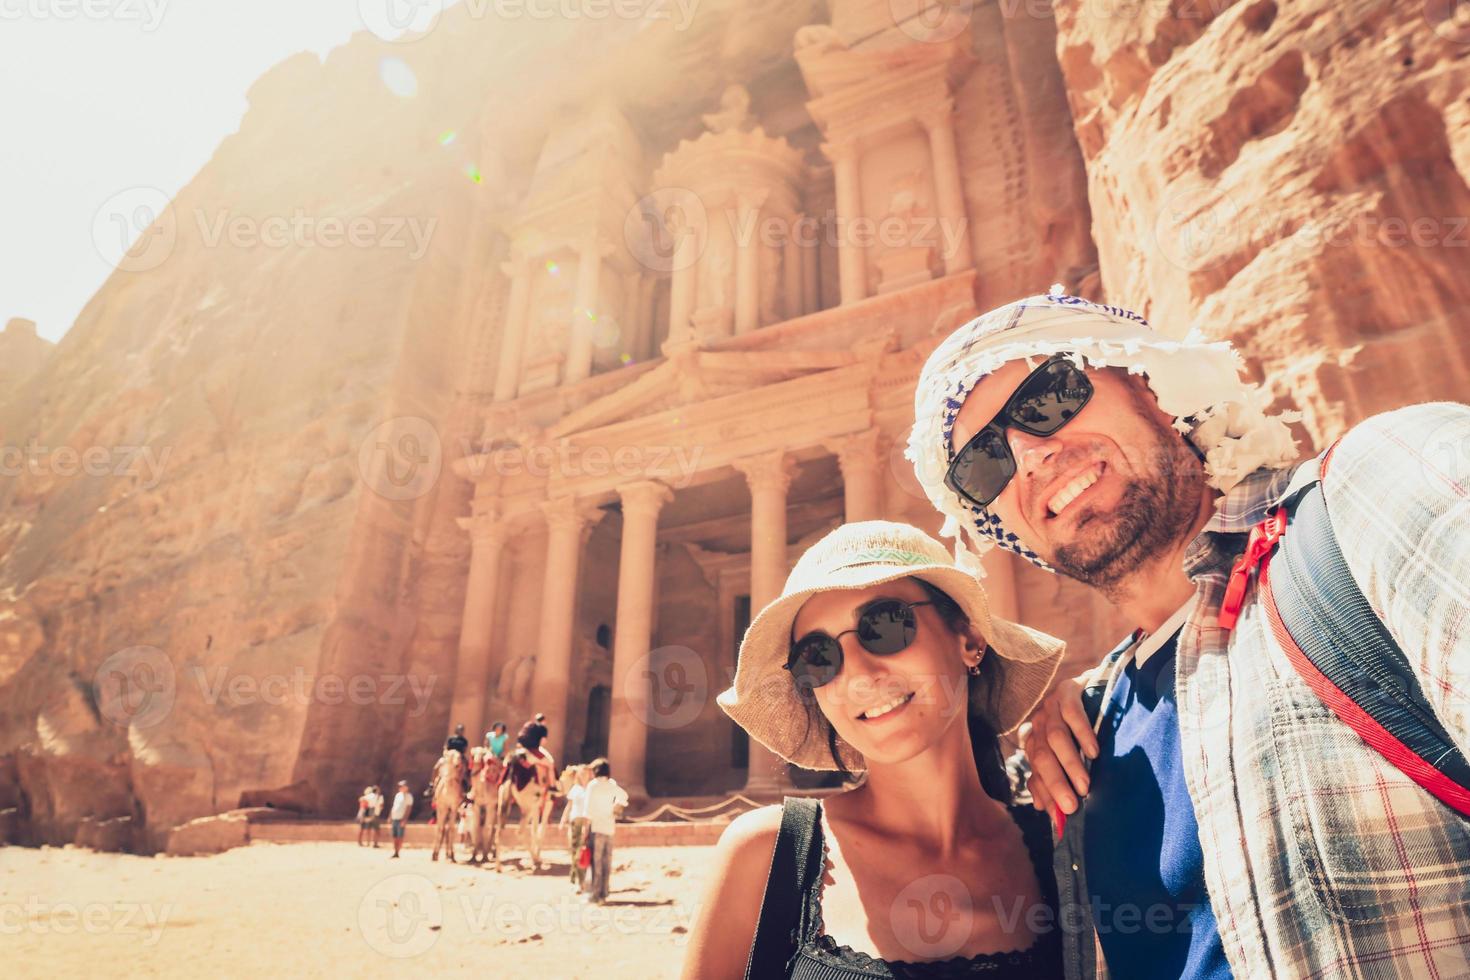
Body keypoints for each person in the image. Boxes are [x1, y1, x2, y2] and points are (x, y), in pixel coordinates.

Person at [907, 288, 1470, 978]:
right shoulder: (1092, 722)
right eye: (984, 462)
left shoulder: (1373, 490)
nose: (1029, 454)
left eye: (1049, 397)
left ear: (1149, 385)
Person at [682, 521, 1069, 979]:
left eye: (884, 626)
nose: (860, 674)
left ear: (969, 641)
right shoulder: (765, 857)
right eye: (818, 657)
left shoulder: (1066, 852)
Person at [582, 757, 629, 906]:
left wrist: (585, 829)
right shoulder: (612, 784)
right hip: (609, 827)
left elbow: (587, 810)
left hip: (596, 828)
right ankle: (605, 891)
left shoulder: (593, 786)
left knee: (596, 863)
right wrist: (615, 808)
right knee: (606, 862)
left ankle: (596, 894)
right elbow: (624, 797)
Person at [559, 765, 593, 892]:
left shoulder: (591, 788)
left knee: (583, 852)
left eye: (586, 773)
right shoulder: (576, 789)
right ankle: (577, 879)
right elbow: (569, 806)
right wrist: (563, 820)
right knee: (575, 852)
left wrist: (587, 823)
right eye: (582, 774)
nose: (584, 776)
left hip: (586, 821)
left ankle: (582, 881)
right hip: (574, 822)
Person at [514, 712, 555, 789]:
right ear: (544, 720)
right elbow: (542, 743)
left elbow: (520, 738)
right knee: (550, 764)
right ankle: (552, 786)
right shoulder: (543, 728)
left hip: (521, 750)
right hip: (533, 751)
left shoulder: (528, 725)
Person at [389, 780, 413, 859]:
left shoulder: (409, 796)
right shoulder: (398, 795)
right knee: (394, 836)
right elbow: (394, 806)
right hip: (395, 818)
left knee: (400, 836)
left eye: (402, 786)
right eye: (400, 786)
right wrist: (390, 816)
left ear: (406, 787)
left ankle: (397, 852)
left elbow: (408, 809)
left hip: (401, 819)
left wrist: (404, 820)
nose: (400, 787)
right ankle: (395, 851)